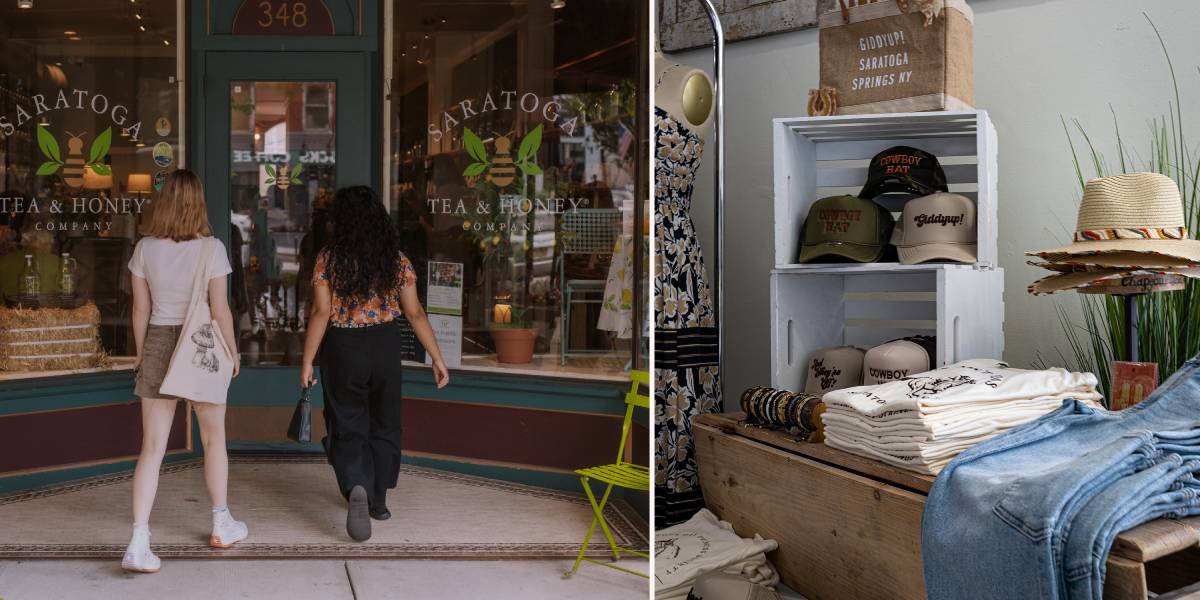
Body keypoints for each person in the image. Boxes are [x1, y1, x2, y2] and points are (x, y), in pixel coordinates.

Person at [300, 185, 450, 542]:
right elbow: (414, 312)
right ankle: (378, 499)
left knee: (347, 419)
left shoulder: (328, 259)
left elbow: (322, 312)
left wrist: (307, 361)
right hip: (384, 344)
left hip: (342, 345)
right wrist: (437, 358)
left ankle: (355, 484)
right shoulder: (396, 260)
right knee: (385, 420)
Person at [123, 169, 247, 573]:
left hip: (158, 339)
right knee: (214, 440)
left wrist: (143, 355)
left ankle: (139, 540)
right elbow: (220, 310)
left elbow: (140, 309)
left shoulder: (144, 248)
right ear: (198, 203)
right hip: (203, 345)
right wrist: (233, 351)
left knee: (152, 448)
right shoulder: (212, 248)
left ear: (164, 202)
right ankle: (220, 523)